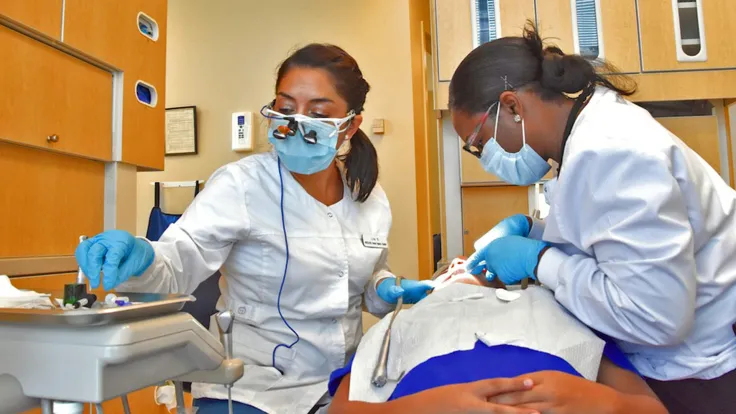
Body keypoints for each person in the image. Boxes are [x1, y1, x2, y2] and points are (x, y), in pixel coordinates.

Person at [75, 44, 433, 414]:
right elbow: (177, 263)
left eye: (318, 113)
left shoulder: (368, 197)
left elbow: (364, 280)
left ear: (350, 125)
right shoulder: (241, 185)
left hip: (343, 386)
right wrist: (144, 256)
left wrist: (388, 289)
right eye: (286, 108)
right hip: (250, 390)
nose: (297, 122)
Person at [448, 21, 736, 414]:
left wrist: (539, 259)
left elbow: (656, 317)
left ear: (512, 106)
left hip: (702, 367)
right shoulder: (587, 130)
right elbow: (613, 239)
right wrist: (538, 232)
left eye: (479, 144)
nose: (485, 160)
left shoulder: (607, 150)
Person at [327, 262, 668, 414]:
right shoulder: (400, 322)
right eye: (451, 268)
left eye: (474, 263)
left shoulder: (558, 308)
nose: (462, 266)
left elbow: (651, 409)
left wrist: (601, 404)